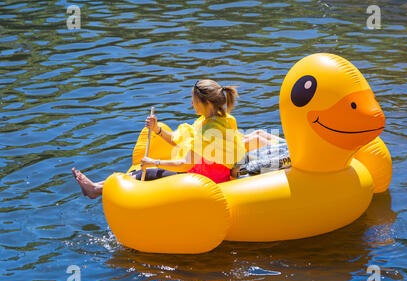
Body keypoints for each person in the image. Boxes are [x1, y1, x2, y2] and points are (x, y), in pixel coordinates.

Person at [72, 79, 279, 199]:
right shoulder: (224, 120)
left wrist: (154, 162)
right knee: (151, 169)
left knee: (149, 172)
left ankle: (97, 189)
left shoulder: (207, 131)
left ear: (206, 102)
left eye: (194, 100)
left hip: (206, 180)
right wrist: (157, 130)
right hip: (213, 173)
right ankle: (99, 186)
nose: (191, 103)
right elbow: (182, 143)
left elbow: (183, 165)